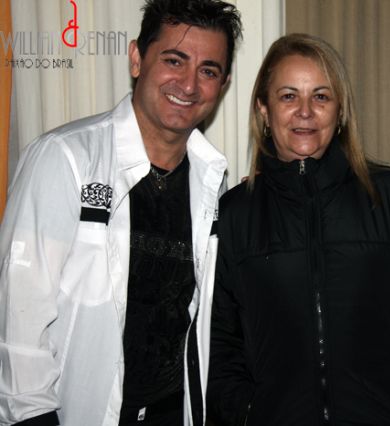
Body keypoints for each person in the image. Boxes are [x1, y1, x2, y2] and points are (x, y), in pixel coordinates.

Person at [0, 0, 242, 424]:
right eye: (174, 60)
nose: (188, 84)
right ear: (136, 59)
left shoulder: (212, 180)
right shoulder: (65, 158)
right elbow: (18, 314)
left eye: (208, 71)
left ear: (222, 85)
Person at [206, 33, 390, 426]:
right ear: (263, 109)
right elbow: (217, 339)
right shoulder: (233, 214)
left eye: (321, 96)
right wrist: (247, 415)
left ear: (340, 110)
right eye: (288, 96)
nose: (305, 112)